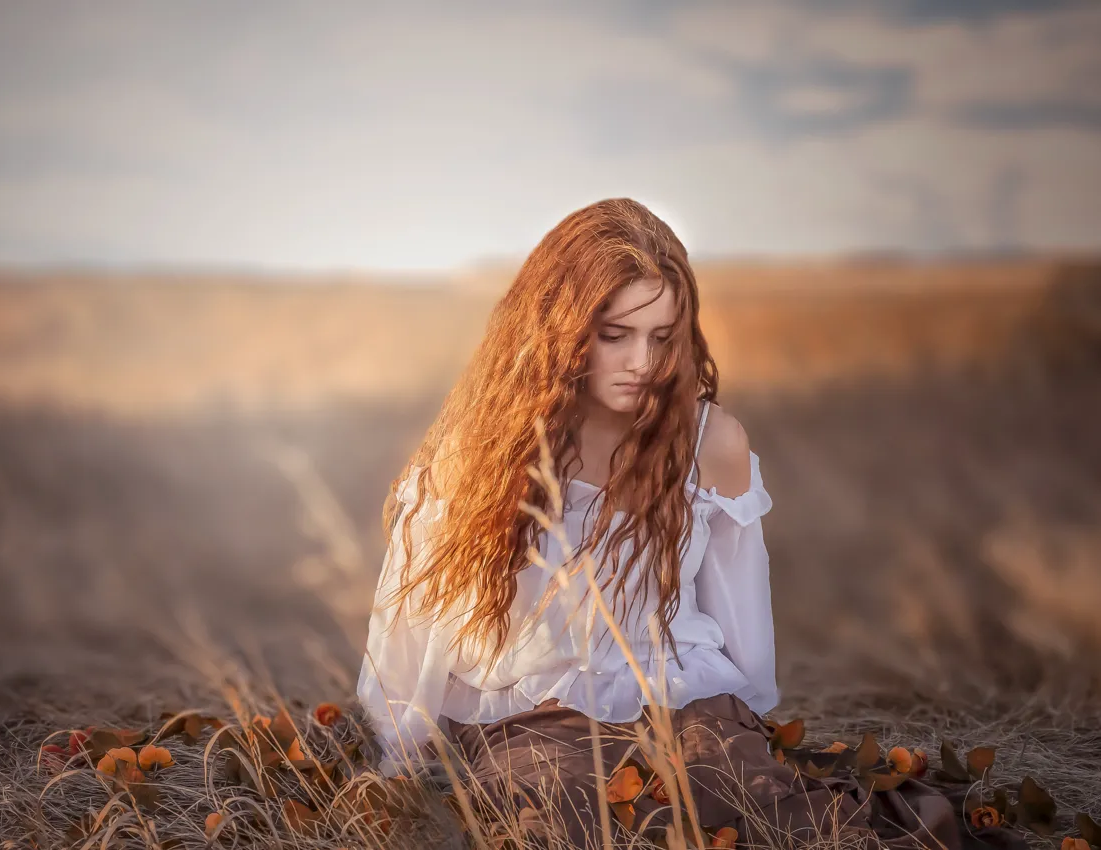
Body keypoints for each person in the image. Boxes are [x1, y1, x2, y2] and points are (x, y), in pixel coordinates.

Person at [356, 199, 995, 849]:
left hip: (687, 697)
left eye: (662, 337)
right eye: (615, 335)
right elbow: (413, 624)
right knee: (578, 821)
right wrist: (400, 754)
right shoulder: (482, 446)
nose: (642, 361)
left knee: (773, 819)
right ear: (558, 327)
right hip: (528, 712)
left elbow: (739, 606)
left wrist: (744, 730)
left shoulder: (711, 441)